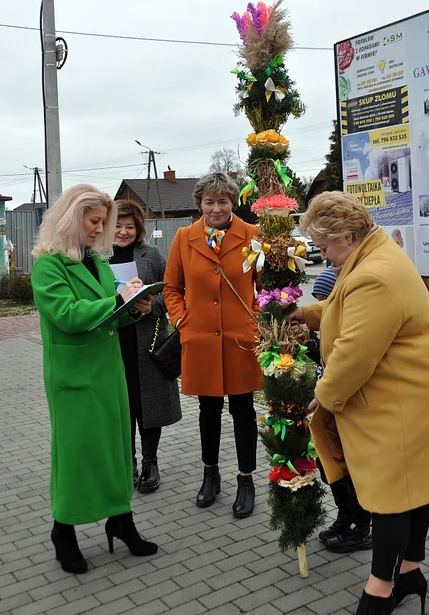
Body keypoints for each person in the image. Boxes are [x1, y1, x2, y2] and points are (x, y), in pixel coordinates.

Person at [290, 191, 429, 615]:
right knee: (412, 492)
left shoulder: (373, 273)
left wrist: (321, 397)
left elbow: (354, 354)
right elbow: (348, 306)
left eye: (324, 247)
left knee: (388, 500)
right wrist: (309, 314)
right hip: (411, 397)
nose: (323, 256)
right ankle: (409, 574)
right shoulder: (374, 253)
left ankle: (379, 592)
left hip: (397, 404)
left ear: (346, 235)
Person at [31, 184, 158, 575]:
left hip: (107, 371)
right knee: (76, 455)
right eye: (94, 220)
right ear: (73, 217)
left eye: (103, 222)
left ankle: (121, 519)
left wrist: (134, 308)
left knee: (116, 449)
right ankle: (63, 531)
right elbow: (68, 315)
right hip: (73, 378)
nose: (100, 228)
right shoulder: (47, 264)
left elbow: (107, 315)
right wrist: (117, 302)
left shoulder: (97, 261)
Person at [164, 172, 262, 518]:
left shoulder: (252, 235)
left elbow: (263, 289)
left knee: (243, 412)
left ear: (233, 202)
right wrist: (181, 320)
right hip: (201, 338)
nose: (216, 208)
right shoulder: (183, 237)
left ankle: (246, 479)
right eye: (209, 201)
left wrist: (255, 319)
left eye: (223, 201)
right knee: (208, 412)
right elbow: (171, 288)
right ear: (200, 204)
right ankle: (210, 475)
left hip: (240, 340)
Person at [110, 199, 181, 493]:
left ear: (138, 229)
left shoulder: (151, 255)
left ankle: (150, 462)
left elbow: (173, 290)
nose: (123, 232)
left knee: (147, 405)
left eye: (129, 226)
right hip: (113, 344)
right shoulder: (97, 257)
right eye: (118, 225)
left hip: (147, 343)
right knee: (120, 406)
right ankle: (129, 463)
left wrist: (153, 305)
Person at [310, 268, 372, 554]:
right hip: (326, 407)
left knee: (349, 469)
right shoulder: (328, 326)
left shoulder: (353, 323)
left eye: (325, 300)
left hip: (343, 405)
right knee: (328, 464)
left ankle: (362, 527)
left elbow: (349, 363)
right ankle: (343, 515)